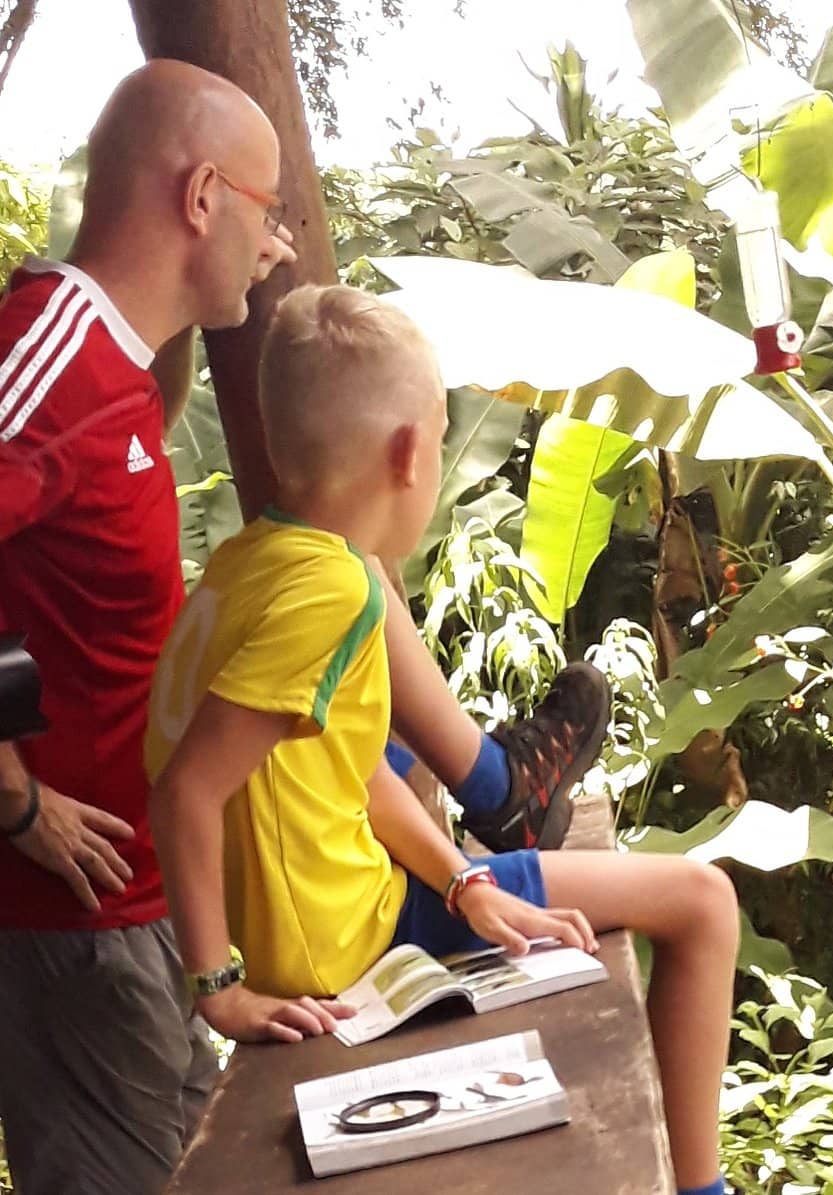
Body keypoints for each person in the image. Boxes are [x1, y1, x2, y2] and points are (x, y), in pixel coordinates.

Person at [0, 60, 608, 1195]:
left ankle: (493, 780)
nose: (277, 235)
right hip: (72, 916)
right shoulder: (45, 352)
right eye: (264, 207)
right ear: (198, 198)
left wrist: (221, 286)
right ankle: (495, 780)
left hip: (144, 911)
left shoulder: (115, 370)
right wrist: (12, 792)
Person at [146, 284, 740, 1195]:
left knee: (634, 898)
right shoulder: (338, 591)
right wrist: (217, 987)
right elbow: (187, 789)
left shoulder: (258, 559)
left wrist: (465, 885)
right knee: (702, 902)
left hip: (352, 904)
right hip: (346, 936)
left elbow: (340, 774)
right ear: (412, 452)